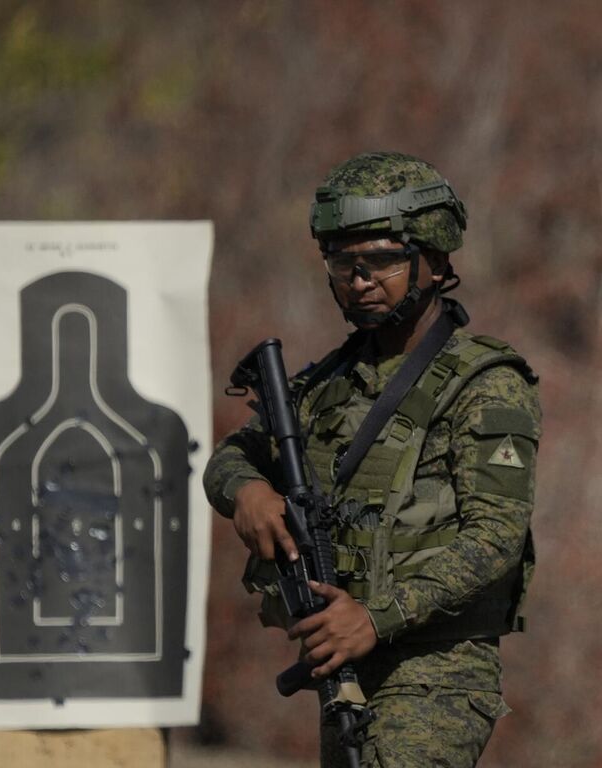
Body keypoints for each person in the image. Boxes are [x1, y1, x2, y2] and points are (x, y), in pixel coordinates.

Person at [204, 151, 540, 767]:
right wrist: (246, 492)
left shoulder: (485, 383)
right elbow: (231, 456)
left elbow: (495, 538)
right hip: (343, 661)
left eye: (382, 260)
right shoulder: (321, 385)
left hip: (436, 671)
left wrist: (378, 618)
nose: (359, 278)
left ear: (434, 261)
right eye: (341, 262)